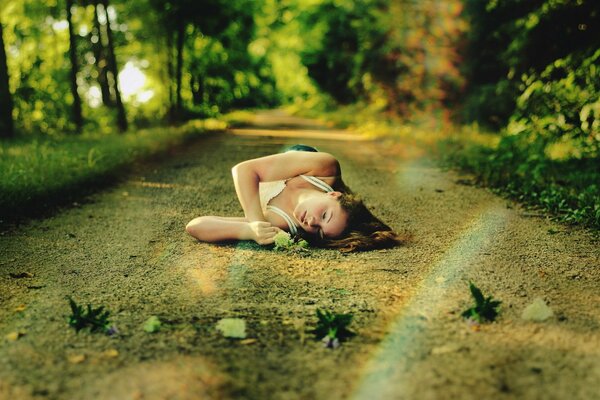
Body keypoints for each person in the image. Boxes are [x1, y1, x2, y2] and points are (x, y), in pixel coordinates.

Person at [185, 145, 405, 252]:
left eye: (318, 230)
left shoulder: (284, 223)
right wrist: (254, 220)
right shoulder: (325, 168)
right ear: (333, 194)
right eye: (325, 215)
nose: (311, 222)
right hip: (298, 157)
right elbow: (244, 170)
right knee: (297, 151)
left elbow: (194, 226)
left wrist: (250, 231)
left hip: (268, 183)